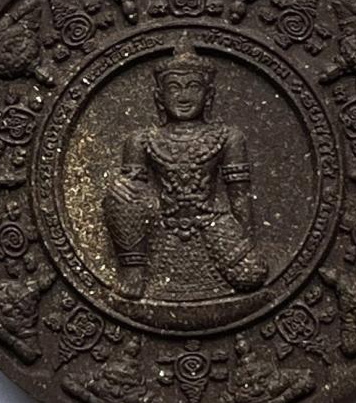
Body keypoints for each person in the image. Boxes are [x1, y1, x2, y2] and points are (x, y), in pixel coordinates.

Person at [103, 35, 268, 300]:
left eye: (193, 87)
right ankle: (133, 270)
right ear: (159, 97)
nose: (183, 96)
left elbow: (240, 197)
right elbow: (135, 194)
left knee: (252, 275)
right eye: (174, 88)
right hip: (161, 222)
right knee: (122, 193)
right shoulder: (142, 139)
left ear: (208, 95)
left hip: (211, 223)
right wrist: (120, 188)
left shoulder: (228, 137)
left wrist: (246, 242)